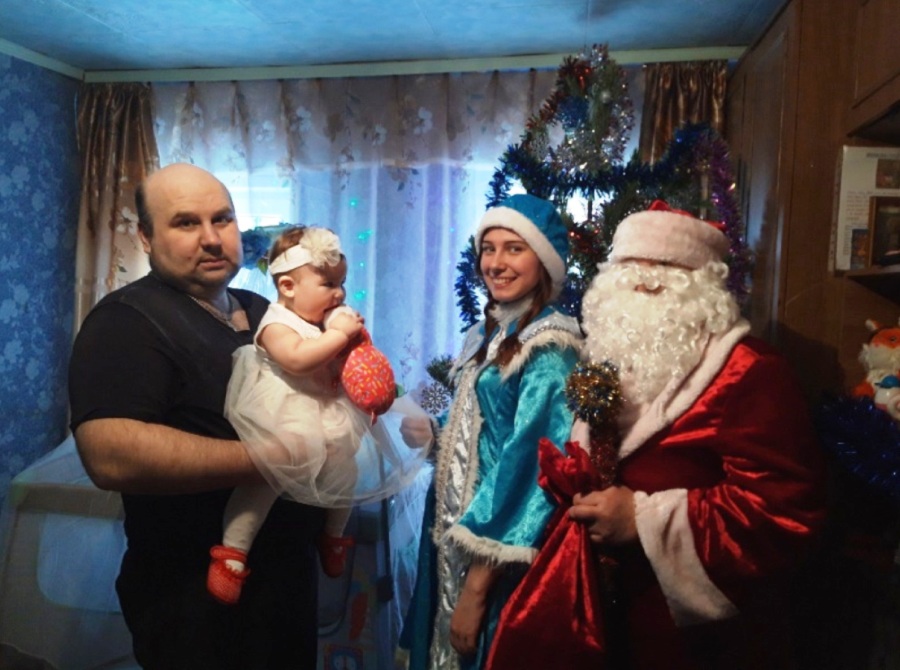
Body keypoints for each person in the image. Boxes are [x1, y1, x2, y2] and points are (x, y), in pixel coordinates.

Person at [68, 163, 323, 669]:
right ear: (146, 237)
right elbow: (109, 453)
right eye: (186, 223)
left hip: (285, 589)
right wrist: (267, 459)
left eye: (222, 219)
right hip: (192, 603)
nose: (211, 238)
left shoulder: (262, 310)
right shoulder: (126, 321)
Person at [567, 200, 827, 669]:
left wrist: (643, 519)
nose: (642, 282)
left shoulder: (750, 371)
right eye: (629, 268)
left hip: (699, 640)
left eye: (663, 271)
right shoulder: (609, 362)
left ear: (703, 286)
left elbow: (784, 511)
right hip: (609, 619)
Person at [398, 194, 583, 670]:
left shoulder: (550, 347)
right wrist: (435, 433)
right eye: (488, 248)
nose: (495, 263)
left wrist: (478, 587)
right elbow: (483, 428)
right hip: (453, 532)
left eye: (514, 249)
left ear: (543, 260)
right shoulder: (488, 334)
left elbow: (530, 466)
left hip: (497, 554)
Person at [211, 225, 427, 604]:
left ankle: (334, 535)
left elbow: (349, 363)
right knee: (265, 480)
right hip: (287, 410)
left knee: (346, 473)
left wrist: (357, 354)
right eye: (328, 284)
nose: (339, 293)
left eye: (341, 283)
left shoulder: (324, 322)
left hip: (328, 409)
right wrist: (338, 336)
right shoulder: (276, 323)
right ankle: (233, 550)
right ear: (288, 287)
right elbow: (297, 360)